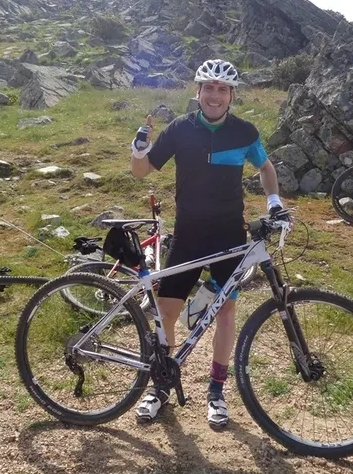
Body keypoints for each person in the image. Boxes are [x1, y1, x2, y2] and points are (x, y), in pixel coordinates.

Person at [130, 58, 283, 428]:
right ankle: (161, 386)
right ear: (197, 92)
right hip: (188, 233)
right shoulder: (180, 129)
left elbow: (265, 167)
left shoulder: (244, 132)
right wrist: (138, 149)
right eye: (209, 88)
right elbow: (141, 172)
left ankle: (216, 391)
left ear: (232, 95)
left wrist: (274, 202)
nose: (215, 95)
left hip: (228, 234)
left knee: (225, 312)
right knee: (167, 311)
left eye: (223, 89)